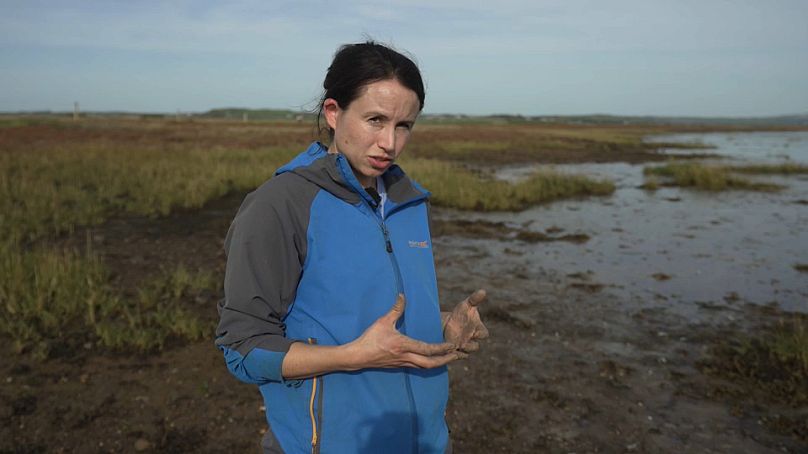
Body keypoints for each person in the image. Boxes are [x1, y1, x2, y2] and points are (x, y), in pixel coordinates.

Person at [215, 41, 489, 454]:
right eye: (375, 120)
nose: (390, 143)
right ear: (333, 112)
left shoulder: (406, 202)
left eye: (404, 126)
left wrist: (441, 322)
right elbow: (242, 349)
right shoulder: (282, 204)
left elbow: (363, 310)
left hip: (429, 442)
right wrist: (352, 356)